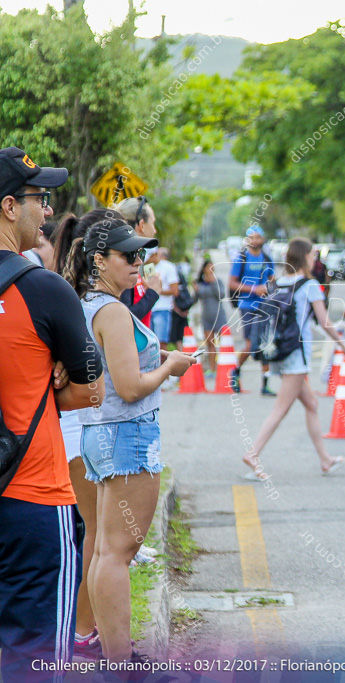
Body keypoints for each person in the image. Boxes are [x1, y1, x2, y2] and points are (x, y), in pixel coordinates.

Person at [64, 219, 196, 664]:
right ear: (99, 260)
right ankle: (123, 663)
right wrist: (170, 368)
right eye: (128, 255)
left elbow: (113, 366)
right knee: (118, 553)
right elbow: (131, 386)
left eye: (141, 254)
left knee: (103, 548)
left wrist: (154, 358)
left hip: (101, 434)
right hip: (127, 435)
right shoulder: (114, 311)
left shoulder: (87, 303)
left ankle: (114, 655)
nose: (139, 263)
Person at [0, 146, 104, 683]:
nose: (47, 212)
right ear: (9, 206)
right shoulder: (44, 289)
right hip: (33, 501)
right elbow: (94, 390)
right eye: (40, 199)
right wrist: (48, 382)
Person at [241, 238, 345, 480]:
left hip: (279, 351)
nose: (314, 258)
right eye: (312, 254)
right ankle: (253, 453)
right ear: (305, 256)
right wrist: (344, 346)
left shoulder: (277, 282)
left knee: (311, 404)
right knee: (280, 409)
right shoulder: (310, 285)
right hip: (296, 355)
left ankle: (325, 460)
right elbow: (325, 322)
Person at [229, 225, 276, 396]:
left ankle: (265, 383)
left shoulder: (267, 259)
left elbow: (273, 281)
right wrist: (254, 289)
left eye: (258, 237)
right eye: (252, 237)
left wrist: (269, 289)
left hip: (264, 306)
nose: (255, 240)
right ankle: (236, 371)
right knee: (250, 344)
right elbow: (232, 283)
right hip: (247, 306)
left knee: (264, 344)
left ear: (262, 239)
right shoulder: (241, 259)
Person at [111, 196, 163, 328]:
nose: (155, 230)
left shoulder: (130, 259)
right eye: (153, 222)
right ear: (141, 225)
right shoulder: (125, 262)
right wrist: (153, 293)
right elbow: (125, 319)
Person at [196, 258, 228, 377]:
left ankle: (224, 367)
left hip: (219, 316)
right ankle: (212, 369)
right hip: (206, 317)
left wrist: (213, 282)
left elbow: (221, 295)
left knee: (223, 342)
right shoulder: (200, 283)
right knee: (210, 343)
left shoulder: (217, 281)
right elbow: (195, 299)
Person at [148, 247, 180, 351]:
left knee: (161, 343)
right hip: (149, 309)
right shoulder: (148, 267)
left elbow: (175, 290)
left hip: (162, 309)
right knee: (150, 344)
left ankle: (165, 366)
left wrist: (156, 290)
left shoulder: (168, 267)